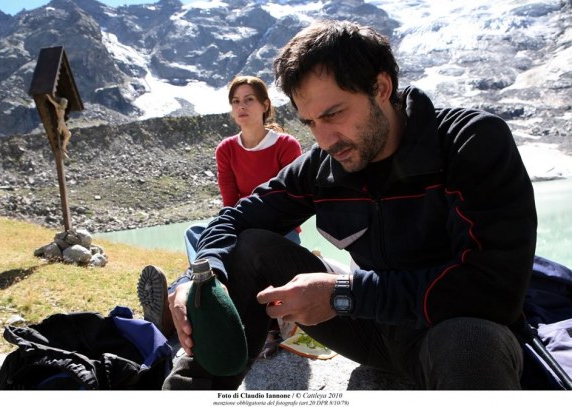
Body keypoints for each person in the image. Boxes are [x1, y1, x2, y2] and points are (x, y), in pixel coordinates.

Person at [161, 20, 537, 390]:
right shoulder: (324, 162)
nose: (324, 139)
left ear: (381, 88)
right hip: (371, 331)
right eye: (310, 122)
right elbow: (236, 219)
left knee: (471, 339)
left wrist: (344, 293)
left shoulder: (469, 142)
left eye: (333, 114)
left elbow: (495, 291)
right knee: (251, 246)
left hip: (445, 332)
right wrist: (200, 279)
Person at [137, 75, 302, 358]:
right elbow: (229, 204)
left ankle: (183, 299)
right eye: (236, 101)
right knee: (195, 232)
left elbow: (293, 203)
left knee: (241, 249)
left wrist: (248, 227)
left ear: (265, 105)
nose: (242, 106)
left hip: (279, 229)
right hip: (241, 222)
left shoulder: (286, 145)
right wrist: (236, 228)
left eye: (249, 99)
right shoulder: (226, 149)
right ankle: (202, 293)